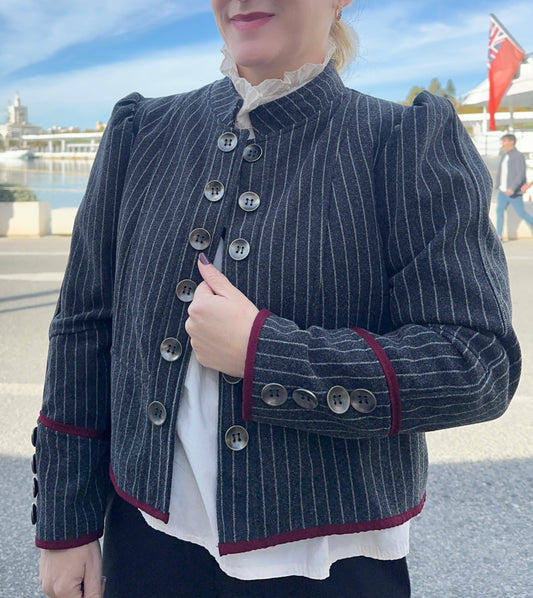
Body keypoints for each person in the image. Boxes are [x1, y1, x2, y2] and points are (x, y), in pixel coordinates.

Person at [33, 1, 521, 597]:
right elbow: (84, 327)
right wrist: (65, 524)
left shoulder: (406, 141)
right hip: (146, 543)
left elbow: (476, 362)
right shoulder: (141, 131)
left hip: (333, 561)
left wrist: (265, 354)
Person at [495, 133, 533, 239]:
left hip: (514, 192)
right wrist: (498, 186)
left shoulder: (518, 156)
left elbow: (520, 175)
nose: (502, 144)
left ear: (511, 142)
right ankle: (499, 236)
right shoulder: (504, 156)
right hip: (502, 192)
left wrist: (512, 188)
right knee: (499, 211)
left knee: (521, 213)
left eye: (504, 141)